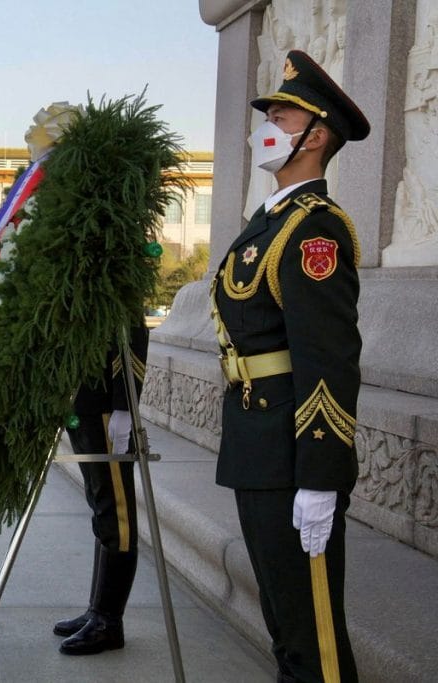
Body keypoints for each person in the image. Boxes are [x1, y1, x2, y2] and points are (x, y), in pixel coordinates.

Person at [212, 50, 369, 683]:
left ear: (317, 135)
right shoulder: (270, 221)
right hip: (257, 442)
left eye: (281, 115)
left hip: (290, 450)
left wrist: (321, 477)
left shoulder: (314, 232)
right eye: (270, 113)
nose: (266, 126)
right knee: (287, 625)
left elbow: (329, 361)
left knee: (313, 636)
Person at [55, 320, 148, 656]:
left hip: (107, 403)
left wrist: (126, 403)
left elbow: (132, 332)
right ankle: (98, 609)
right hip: (82, 401)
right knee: (100, 504)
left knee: (116, 511)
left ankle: (110, 620)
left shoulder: (114, 265)